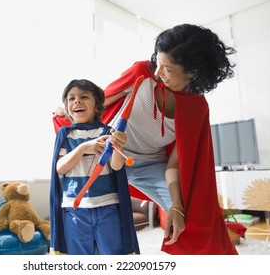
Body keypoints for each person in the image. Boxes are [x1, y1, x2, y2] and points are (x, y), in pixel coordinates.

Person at [53, 24, 238, 255]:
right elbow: (102, 102)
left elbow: (175, 163)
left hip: (150, 165)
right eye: (158, 63)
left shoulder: (196, 108)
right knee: (90, 216)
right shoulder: (143, 73)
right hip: (106, 153)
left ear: (193, 72)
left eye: (168, 68)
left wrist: (177, 207)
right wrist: (68, 111)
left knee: (189, 218)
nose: (158, 73)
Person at [49, 79, 140, 255]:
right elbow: (59, 168)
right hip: (75, 210)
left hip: (107, 207)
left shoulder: (107, 133)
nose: (77, 101)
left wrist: (118, 147)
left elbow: (116, 165)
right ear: (67, 107)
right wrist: (84, 148)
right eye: (71, 98)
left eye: (84, 97)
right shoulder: (65, 134)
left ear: (97, 106)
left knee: (114, 254)